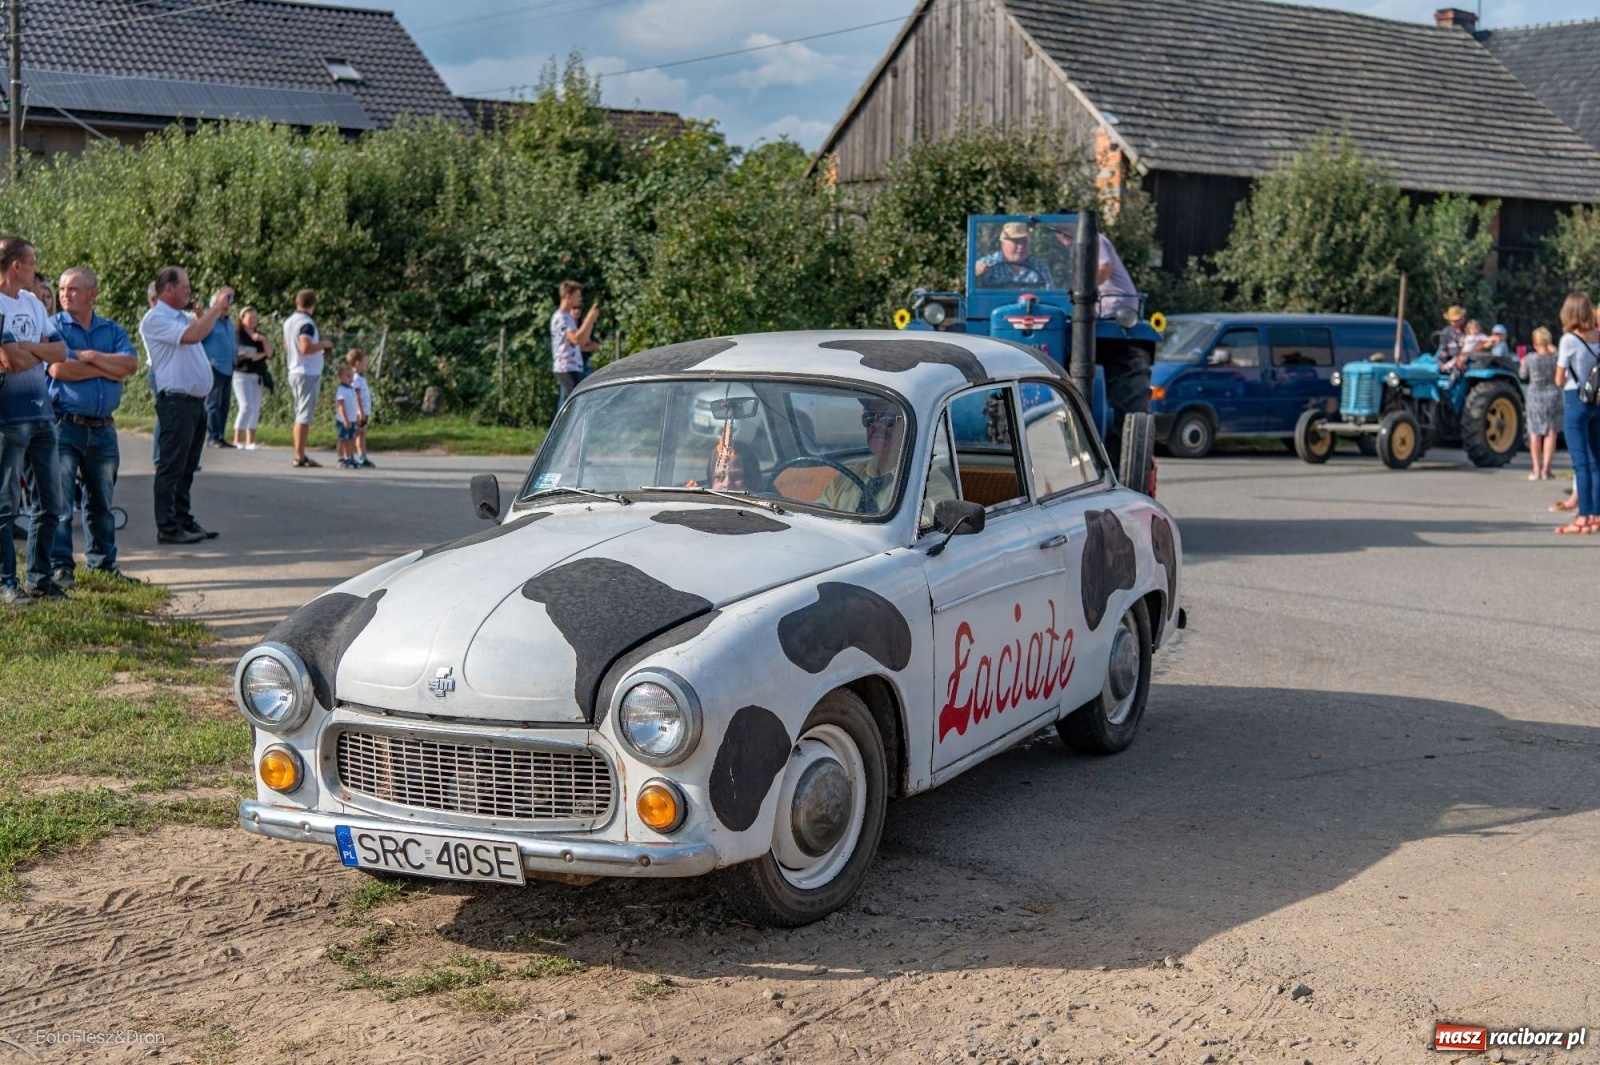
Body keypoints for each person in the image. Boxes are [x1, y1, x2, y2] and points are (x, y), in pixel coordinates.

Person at [47, 266, 139, 585]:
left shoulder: (111, 330)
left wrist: (89, 356)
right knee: (59, 501)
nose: (64, 294)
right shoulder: (53, 327)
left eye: (72, 289)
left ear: (92, 294)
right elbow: (59, 369)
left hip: (103, 429)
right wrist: (106, 368)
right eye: (61, 289)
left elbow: (130, 365)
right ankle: (60, 566)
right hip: (65, 425)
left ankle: (101, 563)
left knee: (101, 500)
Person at [0, 238, 70, 605]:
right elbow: (10, 360)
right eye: (32, 263)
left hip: (42, 413)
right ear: (15, 265)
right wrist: (32, 351)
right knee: (5, 502)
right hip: (8, 416)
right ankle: (6, 582)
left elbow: (59, 351)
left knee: (51, 502)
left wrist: (28, 350)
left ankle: (40, 578)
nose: (35, 268)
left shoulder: (30, 302)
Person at [141, 267, 230, 545]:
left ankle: (182, 517)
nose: (189, 292)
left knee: (187, 467)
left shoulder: (180, 317)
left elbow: (197, 332)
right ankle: (167, 526)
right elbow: (192, 336)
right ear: (167, 288)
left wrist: (206, 313)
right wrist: (217, 308)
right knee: (172, 466)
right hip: (176, 401)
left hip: (193, 402)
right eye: (184, 287)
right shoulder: (156, 319)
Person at [1555, 292, 1600, 534]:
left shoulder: (1569, 340)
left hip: (1576, 399)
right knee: (1597, 463)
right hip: (1597, 402)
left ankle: (1582, 518)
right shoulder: (1599, 336)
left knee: (1580, 464)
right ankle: (1596, 515)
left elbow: (1559, 378)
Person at [282, 288, 334, 468]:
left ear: (297, 303)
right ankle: (299, 455)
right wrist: (324, 345)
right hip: (307, 372)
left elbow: (287, 346)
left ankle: (299, 452)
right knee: (304, 415)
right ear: (313, 305)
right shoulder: (307, 323)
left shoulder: (289, 322)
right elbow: (305, 347)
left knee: (300, 412)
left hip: (294, 369)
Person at [1520, 326, 1561, 482]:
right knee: (1551, 432)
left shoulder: (1530, 358)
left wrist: (1522, 363)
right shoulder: (1556, 357)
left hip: (1535, 395)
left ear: (1535, 342)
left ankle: (1536, 469)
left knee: (1535, 433)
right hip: (1552, 394)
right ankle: (1547, 469)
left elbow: (1523, 375)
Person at [551, 281, 600, 406]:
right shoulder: (560, 318)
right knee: (573, 404)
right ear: (568, 297)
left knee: (575, 404)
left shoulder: (568, 318)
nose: (580, 299)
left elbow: (581, 342)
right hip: (565, 367)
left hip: (574, 367)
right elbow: (576, 339)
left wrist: (591, 320)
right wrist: (589, 318)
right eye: (578, 296)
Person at [201, 288, 238, 448]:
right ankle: (212, 437)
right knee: (213, 405)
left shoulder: (228, 322)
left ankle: (220, 435)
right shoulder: (209, 321)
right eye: (223, 304)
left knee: (224, 405)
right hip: (215, 367)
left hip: (229, 367)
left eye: (228, 304)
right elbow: (198, 340)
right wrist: (205, 360)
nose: (226, 307)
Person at [231, 305, 272, 449]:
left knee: (255, 408)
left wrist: (262, 340)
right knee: (246, 406)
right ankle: (237, 439)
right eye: (250, 317)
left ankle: (250, 441)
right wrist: (257, 355)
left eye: (255, 317)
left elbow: (270, 353)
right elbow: (244, 355)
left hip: (257, 375)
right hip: (241, 375)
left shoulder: (259, 335)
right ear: (242, 319)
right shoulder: (238, 334)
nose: (253, 320)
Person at [974, 222, 1053, 288]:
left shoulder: (1039, 267)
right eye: (1016, 241)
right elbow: (973, 296)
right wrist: (976, 275)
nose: (1021, 246)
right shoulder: (986, 265)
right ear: (1003, 243)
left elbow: (1051, 297)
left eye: (1024, 241)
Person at [347, 349, 374, 468]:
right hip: (359, 412)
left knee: (361, 434)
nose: (366, 364)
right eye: (365, 362)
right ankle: (350, 456)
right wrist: (360, 411)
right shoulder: (356, 378)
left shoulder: (361, 377)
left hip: (364, 411)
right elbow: (357, 396)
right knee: (356, 434)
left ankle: (362, 456)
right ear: (357, 363)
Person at [333, 362, 360, 469]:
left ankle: (349, 457)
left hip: (352, 419)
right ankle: (341, 458)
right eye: (348, 376)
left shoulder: (351, 389)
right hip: (344, 420)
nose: (351, 378)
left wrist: (356, 416)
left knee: (351, 439)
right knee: (343, 439)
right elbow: (341, 406)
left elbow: (354, 405)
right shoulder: (341, 390)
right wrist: (345, 419)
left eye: (352, 376)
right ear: (341, 377)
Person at [1436, 306, 1467, 372]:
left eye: (1458, 320)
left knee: (1461, 359)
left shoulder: (1468, 330)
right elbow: (1444, 349)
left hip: (1464, 356)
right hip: (1450, 357)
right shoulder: (1446, 331)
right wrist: (1444, 353)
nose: (1455, 322)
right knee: (1436, 360)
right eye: (1453, 320)